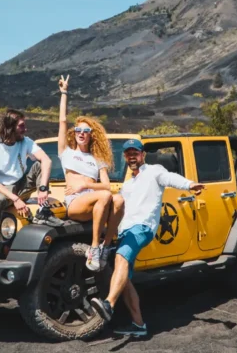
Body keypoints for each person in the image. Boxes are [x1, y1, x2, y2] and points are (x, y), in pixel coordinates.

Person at [90, 139, 205, 336]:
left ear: (143, 155)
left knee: (121, 258)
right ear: (125, 157)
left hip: (142, 228)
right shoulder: (127, 184)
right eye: (128, 154)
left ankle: (108, 304)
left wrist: (190, 184)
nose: (132, 156)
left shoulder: (154, 171)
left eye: (135, 153)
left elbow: (170, 178)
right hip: (126, 231)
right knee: (124, 278)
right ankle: (139, 325)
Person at [57, 74, 124, 272]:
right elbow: (62, 121)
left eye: (85, 131)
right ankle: (94, 247)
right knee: (105, 196)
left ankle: (107, 245)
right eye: (78, 129)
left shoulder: (98, 159)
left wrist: (86, 184)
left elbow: (106, 185)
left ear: (91, 135)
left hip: (94, 201)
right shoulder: (66, 153)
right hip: (76, 203)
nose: (81, 133)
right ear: (74, 133)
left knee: (119, 199)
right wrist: (64, 93)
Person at [0, 108, 52, 264]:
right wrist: (15, 199)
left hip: (21, 184)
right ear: (9, 127)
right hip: (2, 189)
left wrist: (43, 188)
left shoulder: (25, 141)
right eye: (21, 126)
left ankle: (44, 211)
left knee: (39, 165)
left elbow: (47, 160)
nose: (25, 129)